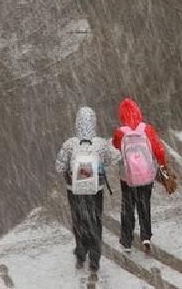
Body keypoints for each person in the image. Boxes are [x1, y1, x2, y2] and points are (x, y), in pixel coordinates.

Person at [55, 107, 111, 273]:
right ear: (93, 122)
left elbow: (58, 167)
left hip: (75, 190)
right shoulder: (100, 143)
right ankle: (95, 259)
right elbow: (108, 160)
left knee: (79, 220)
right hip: (96, 189)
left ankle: (81, 253)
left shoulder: (70, 144)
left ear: (77, 123)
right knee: (96, 219)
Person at [112, 98, 171, 253]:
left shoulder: (120, 132)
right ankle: (146, 237)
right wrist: (163, 167)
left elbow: (116, 147)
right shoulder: (147, 129)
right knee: (144, 204)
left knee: (128, 207)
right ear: (138, 111)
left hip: (127, 176)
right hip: (146, 174)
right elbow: (158, 150)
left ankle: (126, 241)